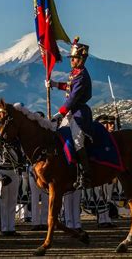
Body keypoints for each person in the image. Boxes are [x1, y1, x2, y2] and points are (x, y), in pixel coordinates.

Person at [46, 37, 93, 190]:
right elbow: (68, 87)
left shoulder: (82, 75)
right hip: (71, 111)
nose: (72, 61)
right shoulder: (75, 73)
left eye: (74, 58)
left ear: (81, 59)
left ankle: (85, 174)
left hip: (79, 112)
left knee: (77, 140)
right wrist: (54, 84)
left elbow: (73, 98)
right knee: (60, 135)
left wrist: (60, 113)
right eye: (71, 58)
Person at [29, 111, 48, 231]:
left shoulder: (47, 136)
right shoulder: (29, 137)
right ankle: (35, 221)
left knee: (46, 196)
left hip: (46, 168)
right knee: (35, 197)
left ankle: (45, 221)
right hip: (33, 167)